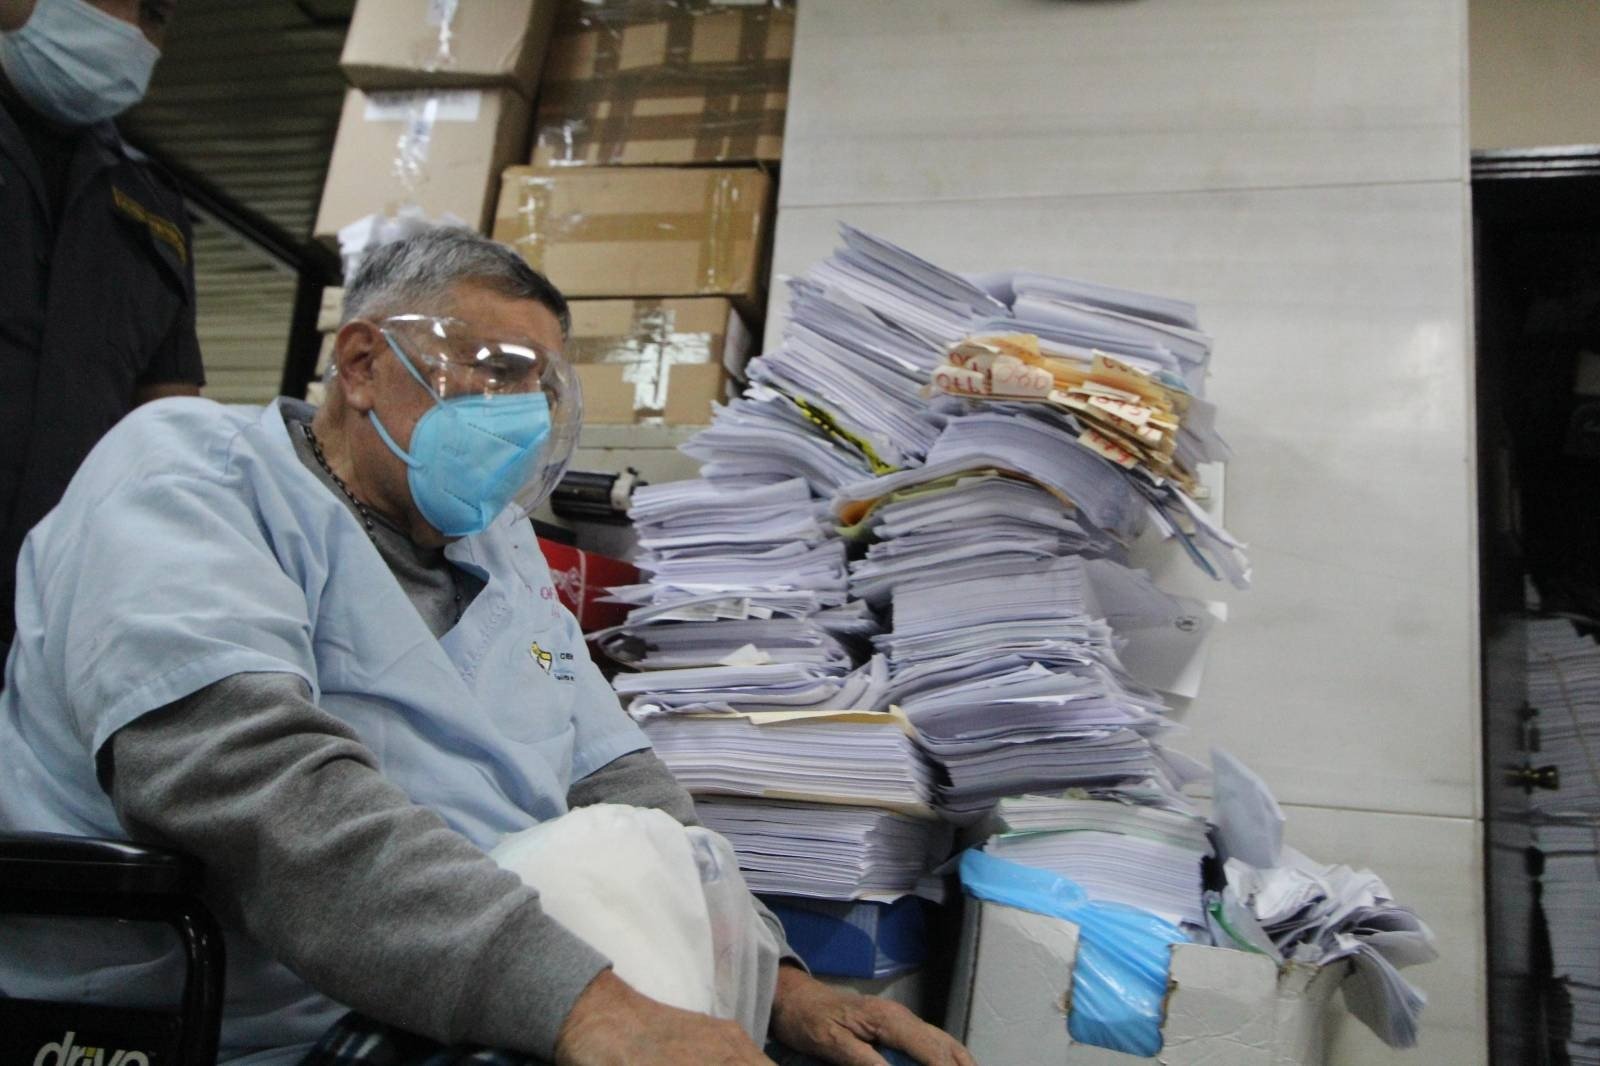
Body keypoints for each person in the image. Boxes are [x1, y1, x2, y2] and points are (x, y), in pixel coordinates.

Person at [0, 228, 975, 1066]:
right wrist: (589, 1006)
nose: (522, 411)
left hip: (474, 987)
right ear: (361, 360)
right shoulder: (189, 472)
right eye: (494, 369)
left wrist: (777, 986)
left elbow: (629, 789)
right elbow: (261, 788)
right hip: (237, 1009)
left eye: (540, 386)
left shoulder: (497, 547)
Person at [0, 0, 203, 659]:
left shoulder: (153, 207)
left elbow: (168, 437)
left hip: (42, 628)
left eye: (159, 15)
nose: (138, 34)